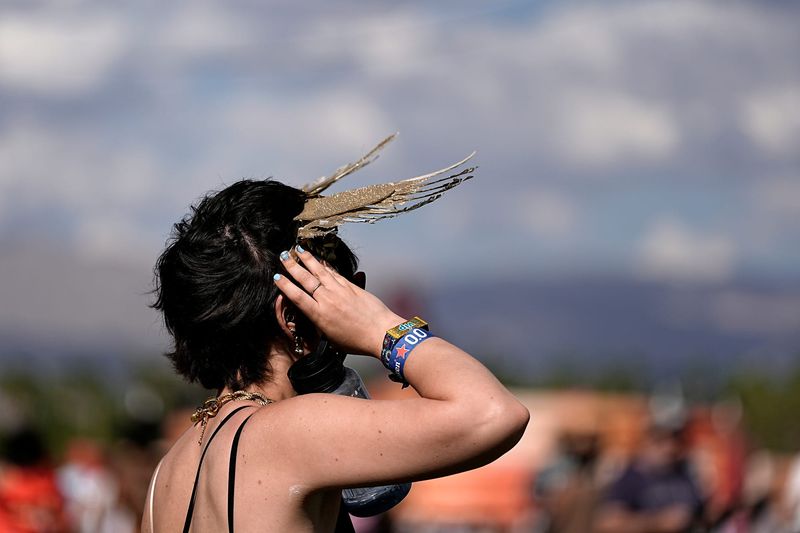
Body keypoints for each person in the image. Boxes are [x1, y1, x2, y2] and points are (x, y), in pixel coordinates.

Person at [142, 178, 529, 532]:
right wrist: (380, 326)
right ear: (292, 316)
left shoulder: (167, 474)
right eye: (345, 295)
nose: (353, 307)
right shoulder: (290, 431)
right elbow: (494, 414)